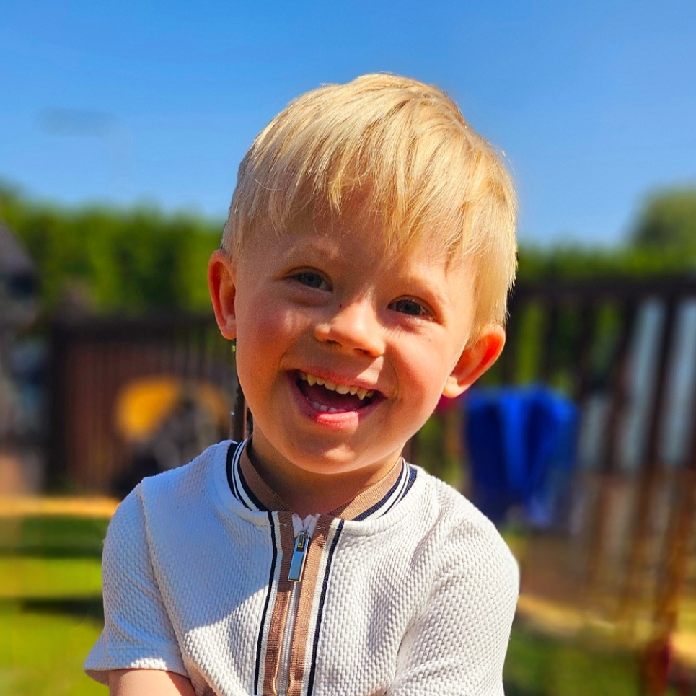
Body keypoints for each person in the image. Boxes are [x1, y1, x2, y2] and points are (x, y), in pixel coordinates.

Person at [85, 73, 520, 696]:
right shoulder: (154, 526)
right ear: (230, 298)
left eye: (409, 305)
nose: (352, 332)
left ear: (466, 361)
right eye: (311, 278)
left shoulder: (463, 561)